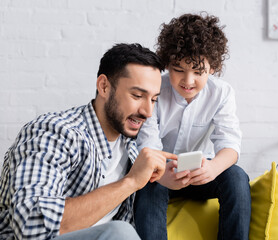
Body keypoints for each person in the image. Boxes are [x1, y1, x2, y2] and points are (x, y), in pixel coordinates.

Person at [0, 43, 177, 240]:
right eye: (137, 95)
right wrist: (131, 182)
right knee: (120, 232)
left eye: (153, 100)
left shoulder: (133, 150)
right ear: (104, 86)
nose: (147, 112)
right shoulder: (55, 132)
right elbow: (31, 225)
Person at [134, 13, 251, 240]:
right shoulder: (155, 89)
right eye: (178, 69)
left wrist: (213, 168)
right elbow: (148, 143)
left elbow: (230, 144)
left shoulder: (222, 93)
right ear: (167, 64)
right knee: (148, 182)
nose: (188, 81)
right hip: (161, 173)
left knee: (237, 177)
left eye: (198, 72)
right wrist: (161, 175)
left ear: (213, 68)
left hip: (202, 174)